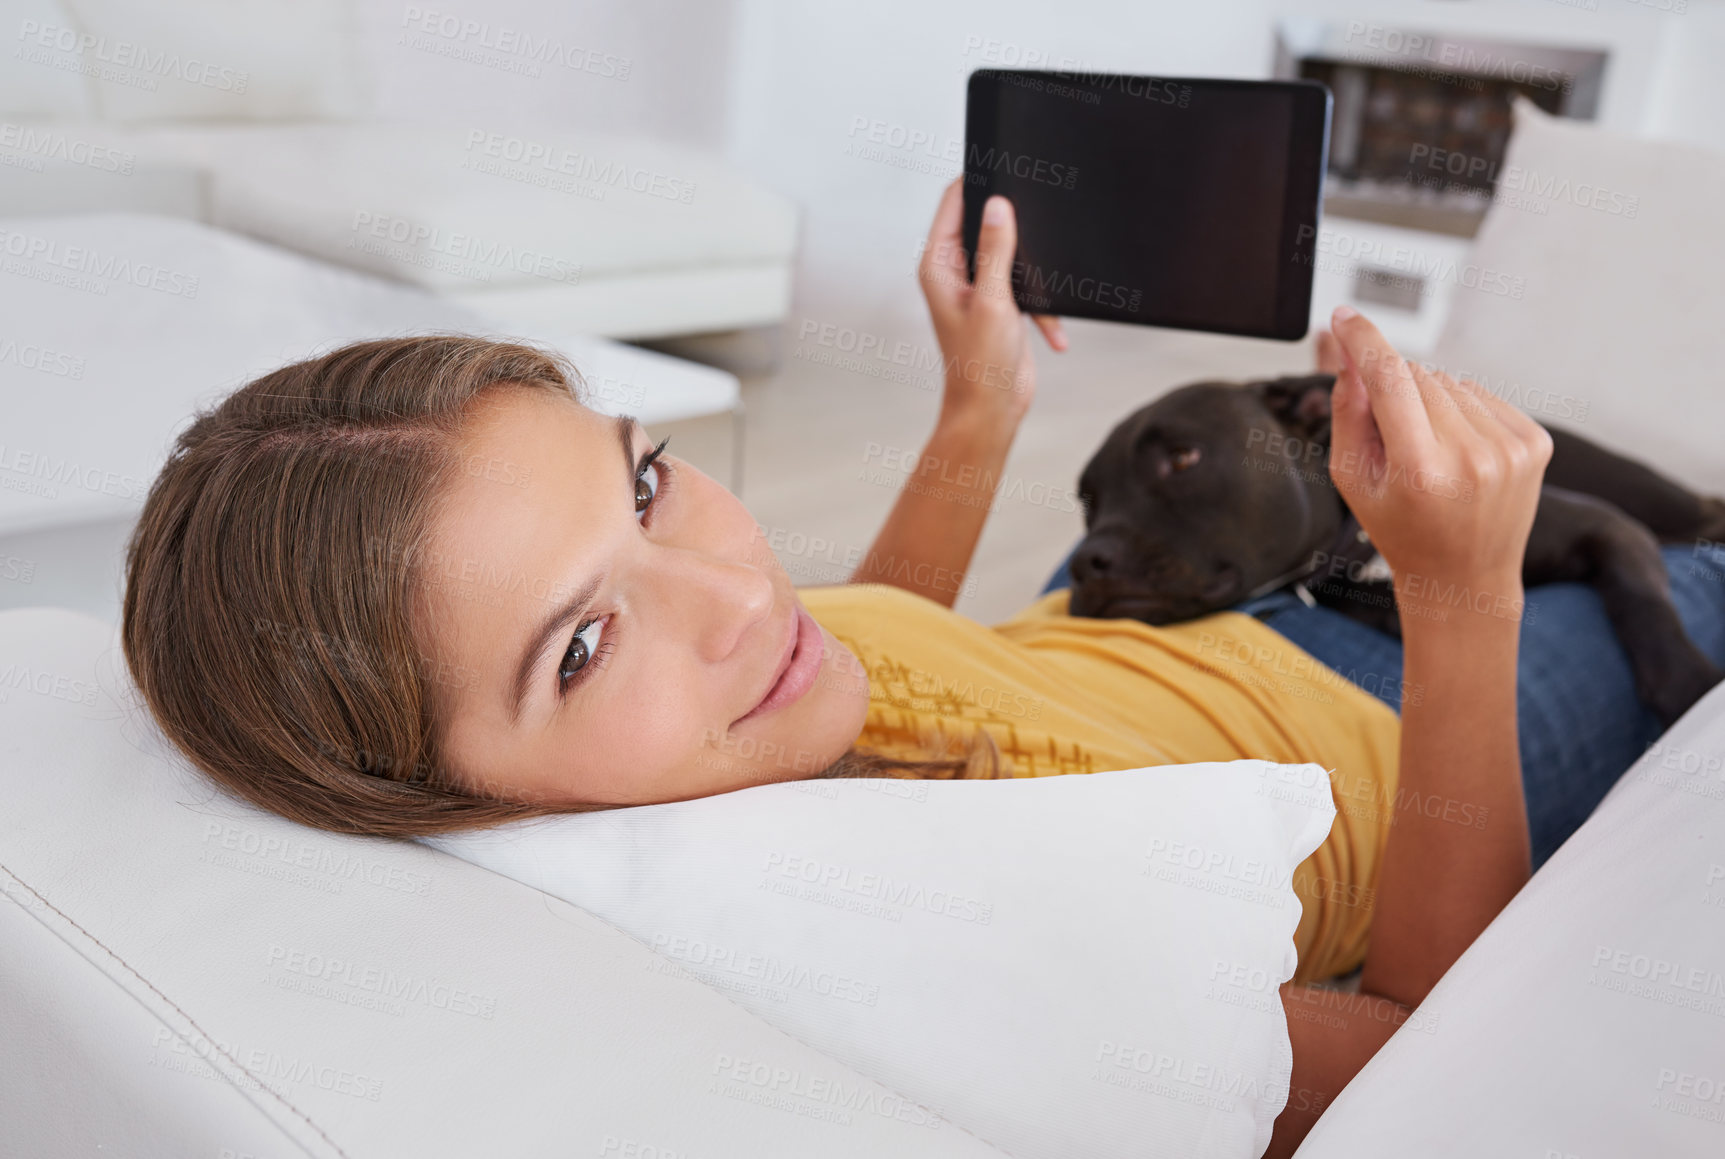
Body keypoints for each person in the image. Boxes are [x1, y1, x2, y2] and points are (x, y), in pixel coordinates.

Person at [116, 178, 1661, 1155]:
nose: (734, 587)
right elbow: (1421, 1063)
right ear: (448, 797)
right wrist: (1459, 596)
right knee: (1663, 552)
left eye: (647, 485)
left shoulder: (718, 726)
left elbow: (876, 662)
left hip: (1087, 640)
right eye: (580, 641)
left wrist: (976, 406)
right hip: (1373, 705)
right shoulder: (985, 956)